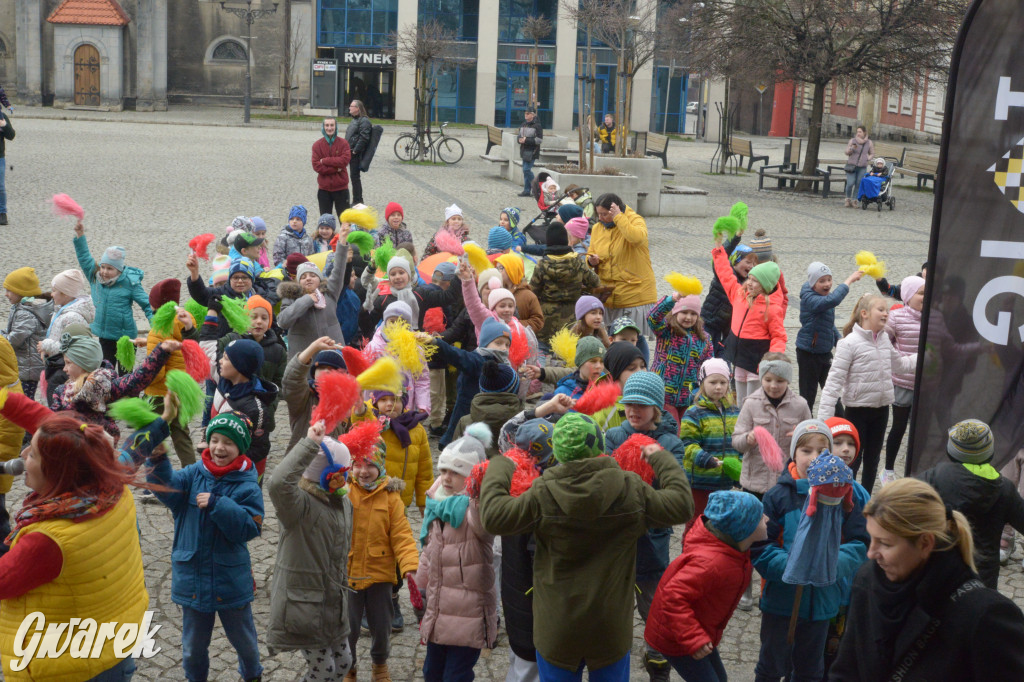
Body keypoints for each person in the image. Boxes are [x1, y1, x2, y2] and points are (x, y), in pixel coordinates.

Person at [479, 412, 694, 681]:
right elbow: (682, 505)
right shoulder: (630, 489)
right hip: (610, 627)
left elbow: (494, 516)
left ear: (557, 452)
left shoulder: (542, 493)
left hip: (557, 626)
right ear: (600, 447)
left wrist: (503, 463)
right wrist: (658, 456)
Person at [0, 408, 153, 680]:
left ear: (59, 471)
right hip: (114, 645)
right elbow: (135, 443)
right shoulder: (114, 488)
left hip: (69, 667)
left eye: (33, 453)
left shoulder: (47, 541)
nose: (22, 457)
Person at [830, 478, 1024, 681]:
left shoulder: (986, 616)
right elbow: (845, 670)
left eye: (885, 544)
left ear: (924, 543)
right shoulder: (868, 581)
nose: (871, 553)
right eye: (872, 539)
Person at [146, 410, 264, 682]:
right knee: (192, 649)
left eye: (228, 443)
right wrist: (158, 459)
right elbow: (166, 488)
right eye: (215, 440)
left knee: (245, 643)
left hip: (230, 581)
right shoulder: (192, 474)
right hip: (193, 579)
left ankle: (252, 675)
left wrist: (218, 505)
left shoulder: (247, 484)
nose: (220, 447)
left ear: (240, 448)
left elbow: (249, 528)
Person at [753, 420, 869, 682]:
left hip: (823, 603)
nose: (814, 458)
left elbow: (860, 542)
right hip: (781, 601)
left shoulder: (843, 494)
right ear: (794, 453)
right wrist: (791, 567)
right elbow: (760, 545)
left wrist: (831, 565)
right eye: (806, 451)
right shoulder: (778, 496)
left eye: (822, 451)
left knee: (809, 671)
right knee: (771, 666)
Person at [603, 371, 686, 681]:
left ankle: (657, 659)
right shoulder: (614, 436)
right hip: (616, 538)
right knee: (613, 602)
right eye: (629, 405)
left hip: (652, 539)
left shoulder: (670, 443)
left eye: (642, 405)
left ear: (657, 409)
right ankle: (614, 654)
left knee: (653, 604)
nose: (634, 411)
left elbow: (672, 492)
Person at [645, 491, 767, 682]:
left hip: (699, 631)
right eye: (761, 517)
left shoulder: (735, 550)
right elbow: (672, 596)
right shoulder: (712, 562)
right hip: (678, 639)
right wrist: (694, 638)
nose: (766, 519)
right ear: (744, 529)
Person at [267, 421, 354, 681]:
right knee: (323, 670)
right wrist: (309, 445)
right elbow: (278, 483)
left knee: (344, 663)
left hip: (332, 603)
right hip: (304, 605)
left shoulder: (341, 501)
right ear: (329, 473)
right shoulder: (298, 505)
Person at [416, 425, 499, 682]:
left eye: (457, 472)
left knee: (456, 675)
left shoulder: (475, 509)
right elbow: (429, 551)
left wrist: (478, 490)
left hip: (469, 614)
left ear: (472, 477)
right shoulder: (436, 504)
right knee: (431, 672)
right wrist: (420, 583)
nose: (447, 477)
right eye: (443, 470)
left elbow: (484, 524)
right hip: (438, 610)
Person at [817, 294, 916, 494]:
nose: (886, 313)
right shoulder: (849, 343)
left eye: (887, 310)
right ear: (864, 314)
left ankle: (866, 498)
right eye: (881, 309)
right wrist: (822, 424)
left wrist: (925, 354)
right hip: (857, 412)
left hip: (881, 411)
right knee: (853, 459)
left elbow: (901, 365)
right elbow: (833, 384)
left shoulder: (885, 340)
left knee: (873, 461)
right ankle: (847, 499)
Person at [346, 431, 419, 681]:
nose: (363, 471)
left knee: (382, 626)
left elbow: (402, 535)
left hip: (381, 576)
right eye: (358, 464)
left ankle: (379, 665)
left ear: (381, 466)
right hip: (348, 573)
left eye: (370, 465)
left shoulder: (391, 498)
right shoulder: (343, 493)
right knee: (348, 629)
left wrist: (410, 566)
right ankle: (349, 666)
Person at [917, 419, 1024, 590]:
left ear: (951, 451)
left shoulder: (936, 477)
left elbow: (901, 509)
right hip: (982, 582)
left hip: (938, 573)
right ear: (990, 452)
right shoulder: (1005, 489)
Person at [711, 231, 786, 405]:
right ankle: (740, 427)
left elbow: (778, 337)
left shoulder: (772, 308)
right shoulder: (740, 294)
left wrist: (770, 362)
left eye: (755, 281)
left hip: (756, 359)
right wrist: (718, 251)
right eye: (749, 278)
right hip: (739, 357)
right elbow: (726, 275)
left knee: (752, 402)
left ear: (766, 286)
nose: (749, 283)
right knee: (739, 401)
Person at [73, 220, 153, 368]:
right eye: (103, 267)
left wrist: (155, 326)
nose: (104, 272)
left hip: (126, 338)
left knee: (125, 376)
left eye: (110, 268)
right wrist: (80, 235)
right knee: (105, 373)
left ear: (119, 270)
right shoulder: (95, 277)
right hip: (104, 336)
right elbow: (84, 257)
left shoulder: (130, 282)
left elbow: (147, 305)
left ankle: (128, 393)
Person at [734, 354, 811, 497]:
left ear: (788, 380)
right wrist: (747, 439)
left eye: (780, 380)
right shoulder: (751, 403)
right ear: (761, 378)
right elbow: (736, 442)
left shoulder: (800, 405)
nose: (773, 385)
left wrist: (801, 437)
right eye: (767, 380)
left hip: (788, 483)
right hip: (755, 483)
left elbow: (813, 443)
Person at [680, 358, 742, 521]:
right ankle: (690, 547)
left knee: (719, 523)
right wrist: (703, 458)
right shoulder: (694, 413)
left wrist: (740, 465)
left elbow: (739, 442)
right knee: (697, 522)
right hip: (701, 480)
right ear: (702, 382)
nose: (719, 387)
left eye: (723, 382)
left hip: (725, 481)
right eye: (713, 382)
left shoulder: (735, 411)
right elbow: (687, 444)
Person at [587, 194, 658, 335]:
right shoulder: (597, 228)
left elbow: (637, 238)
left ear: (615, 210)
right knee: (613, 336)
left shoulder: (635, 220)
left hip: (634, 294)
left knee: (633, 336)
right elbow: (591, 251)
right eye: (598, 214)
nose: (600, 218)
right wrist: (590, 260)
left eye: (604, 214)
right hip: (608, 293)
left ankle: (639, 358)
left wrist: (619, 218)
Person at [797, 262, 862, 412]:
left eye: (829, 279)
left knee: (832, 394)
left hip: (825, 353)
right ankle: (807, 429)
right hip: (808, 353)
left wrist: (838, 340)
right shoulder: (810, 298)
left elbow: (827, 323)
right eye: (822, 281)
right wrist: (849, 280)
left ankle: (842, 426)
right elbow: (832, 300)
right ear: (813, 283)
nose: (827, 284)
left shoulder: (823, 297)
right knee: (808, 397)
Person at [212, 338, 279, 483]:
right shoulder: (223, 381)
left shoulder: (255, 408)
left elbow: (260, 447)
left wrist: (230, 460)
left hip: (241, 475)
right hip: (219, 463)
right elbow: (206, 350)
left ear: (239, 367)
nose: (220, 361)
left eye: (226, 358)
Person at [277, 237, 351, 359]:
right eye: (303, 277)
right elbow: (283, 322)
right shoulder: (290, 298)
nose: (308, 278)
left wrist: (342, 245)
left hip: (333, 356)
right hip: (305, 361)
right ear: (298, 281)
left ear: (320, 279)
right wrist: (306, 300)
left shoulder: (329, 293)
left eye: (313, 275)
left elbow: (338, 271)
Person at [647, 290, 713, 423]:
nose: (688, 317)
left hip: (688, 397)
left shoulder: (704, 338)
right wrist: (671, 300)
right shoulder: (666, 330)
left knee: (685, 429)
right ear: (675, 312)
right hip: (663, 394)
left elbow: (708, 365)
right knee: (672, 427)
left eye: (693, 313)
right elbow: (652, 317)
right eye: (684, 312)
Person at [530, 223, 601, 344]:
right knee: (568, 351)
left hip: (547, 318)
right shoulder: (577, 262)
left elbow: (533, 291)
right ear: (566, 241)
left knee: (543, 349)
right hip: (572, 317)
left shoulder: (542, 265)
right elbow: (595, 282)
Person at [2, 267, 52, 402]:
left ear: (21, 292)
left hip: (28, 369)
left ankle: (27, 423)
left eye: (9, 290)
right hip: (27, 366)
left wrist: (2, 338)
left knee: (24, 402)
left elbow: (13, 340)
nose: (6, 294)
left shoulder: (26, 313)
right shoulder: (23, 308)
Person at [701, 240, 755, 358]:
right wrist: (735, 237)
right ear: (735, 260)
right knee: (705, 354)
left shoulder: (748, 283)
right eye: (748, 262)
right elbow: (721, 258)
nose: (751, 266)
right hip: (709, 323)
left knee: (723, 358)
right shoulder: (725, 275)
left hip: (727, 330)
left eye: (753, 264)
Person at [313, 116, 352, 218]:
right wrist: (336, 168)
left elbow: (344, 161)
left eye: (332, 125)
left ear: (336, 127)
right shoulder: (317, 145)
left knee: (345, 221)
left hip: (341, 189)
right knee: (325, 222)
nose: (329, 128)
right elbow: (317, 166)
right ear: (323, 127)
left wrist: (325, 161)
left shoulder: (344, 143)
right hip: (324, 189)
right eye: (327, 125)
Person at [496, 253, 544, 334]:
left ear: (512, 270)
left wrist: (514, 325)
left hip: (519, 338)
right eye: (497, 268)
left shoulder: (528, 295)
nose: (498, 272)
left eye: (501, 268)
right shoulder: (496, 291)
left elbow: (538, 321)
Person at [347, 100, 373, 206]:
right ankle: (357, 199)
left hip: (356, 154)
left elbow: (364, 138)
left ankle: (358, 200)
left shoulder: (364, 121)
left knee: (355, 177)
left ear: (358, 108)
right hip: (350, 152)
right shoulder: (355, 120)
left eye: (351, 106)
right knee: (353, 177)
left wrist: (355, 150)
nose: (349, 108)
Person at [843, 125, 874, 208]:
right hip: (851, 166)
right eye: (857, 132)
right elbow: (846, 152)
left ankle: (854, 201)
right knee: (850, 183)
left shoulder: (869, 142)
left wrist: (868, 158)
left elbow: (872, 153)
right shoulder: (853, 141)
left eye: (860, 132)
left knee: (858, 184)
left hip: (862, 167)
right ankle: (847, 199)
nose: (858, 133)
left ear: (864, 133)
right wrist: (851, 148)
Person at [517, 109, 543, 197]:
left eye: (528, 113)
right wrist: (519, 139)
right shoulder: (523, 124)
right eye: (525, 113)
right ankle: (527, 190)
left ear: (533, 115)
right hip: (524, 150)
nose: (526, 115)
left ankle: (537, 187)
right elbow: (519, 135)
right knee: (525, 171)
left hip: (532, 151)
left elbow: (539, 140)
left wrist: (526, 140)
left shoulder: (537, 126)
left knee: (526, 169)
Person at [0, 107, 13, 225]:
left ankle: (2, 213)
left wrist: (4, 125)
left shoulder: (2, 116)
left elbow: (11, 135)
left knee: (0, 187)